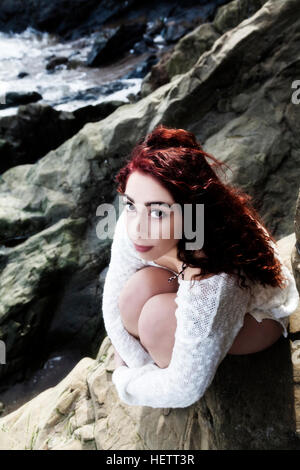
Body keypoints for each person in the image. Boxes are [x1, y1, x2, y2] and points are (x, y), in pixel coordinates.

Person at [101, 124, 299, 409]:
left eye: (158, 211)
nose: (137, 228)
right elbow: (112, 306)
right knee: (132, 297)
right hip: (181, 279)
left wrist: (124, 379)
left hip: (256, 318)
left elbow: (184, 389)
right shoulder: (134, 222)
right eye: (130, 204)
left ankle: (203, 352)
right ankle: (179, 354)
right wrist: (138, 364)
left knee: (155, 322)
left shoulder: (214, 274)